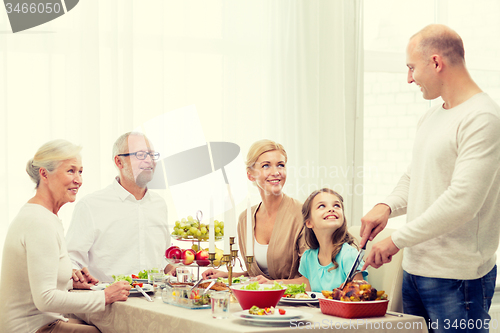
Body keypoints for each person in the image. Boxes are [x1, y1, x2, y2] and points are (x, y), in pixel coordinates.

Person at [360, 24, 500, 332]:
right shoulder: (432, 115)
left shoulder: (482, 117)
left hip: (458, 279)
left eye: (412, 68)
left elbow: (463, 201)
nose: (409, 78)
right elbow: (416, 175)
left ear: (436, 63)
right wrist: (386, 206)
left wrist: (396, 239)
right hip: (414, 271)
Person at [0, 139, 131, 333]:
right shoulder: (39, 222)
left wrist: (70, 282)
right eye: (71, 171)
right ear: (44, 174)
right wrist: (105, 296)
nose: (78, 180)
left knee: (112, 327)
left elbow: (37, 281)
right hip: (32, 328)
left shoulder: (44, 216)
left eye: (80, 171)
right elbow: (45, 299)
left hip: (45, 321)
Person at [66, 132, 172, 282]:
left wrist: (172, 267)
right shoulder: (91, 205)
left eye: (152, 155)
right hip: (110, 302)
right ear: (119, 162)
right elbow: (71, 260)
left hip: (154, 302)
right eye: (141, 154)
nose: (149, 160)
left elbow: (161, 256)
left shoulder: (159, 204)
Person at [202, 139, 307, 283]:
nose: (276, 172)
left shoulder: (302, 214)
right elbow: (258, 277)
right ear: (250, 175)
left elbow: (311, 280)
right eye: (266, 166)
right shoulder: (245, 219)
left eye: (280, 165)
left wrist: (273, 285)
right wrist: (227, 275)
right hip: (258, 303)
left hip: (295, 303)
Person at [299, 188, 365, 292]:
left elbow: (359, 298)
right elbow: (308, 299)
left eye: (336, 205)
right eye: (322, 206)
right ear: (309, 222)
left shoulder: (349, 255)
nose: (331, 209)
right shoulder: (307, 258)